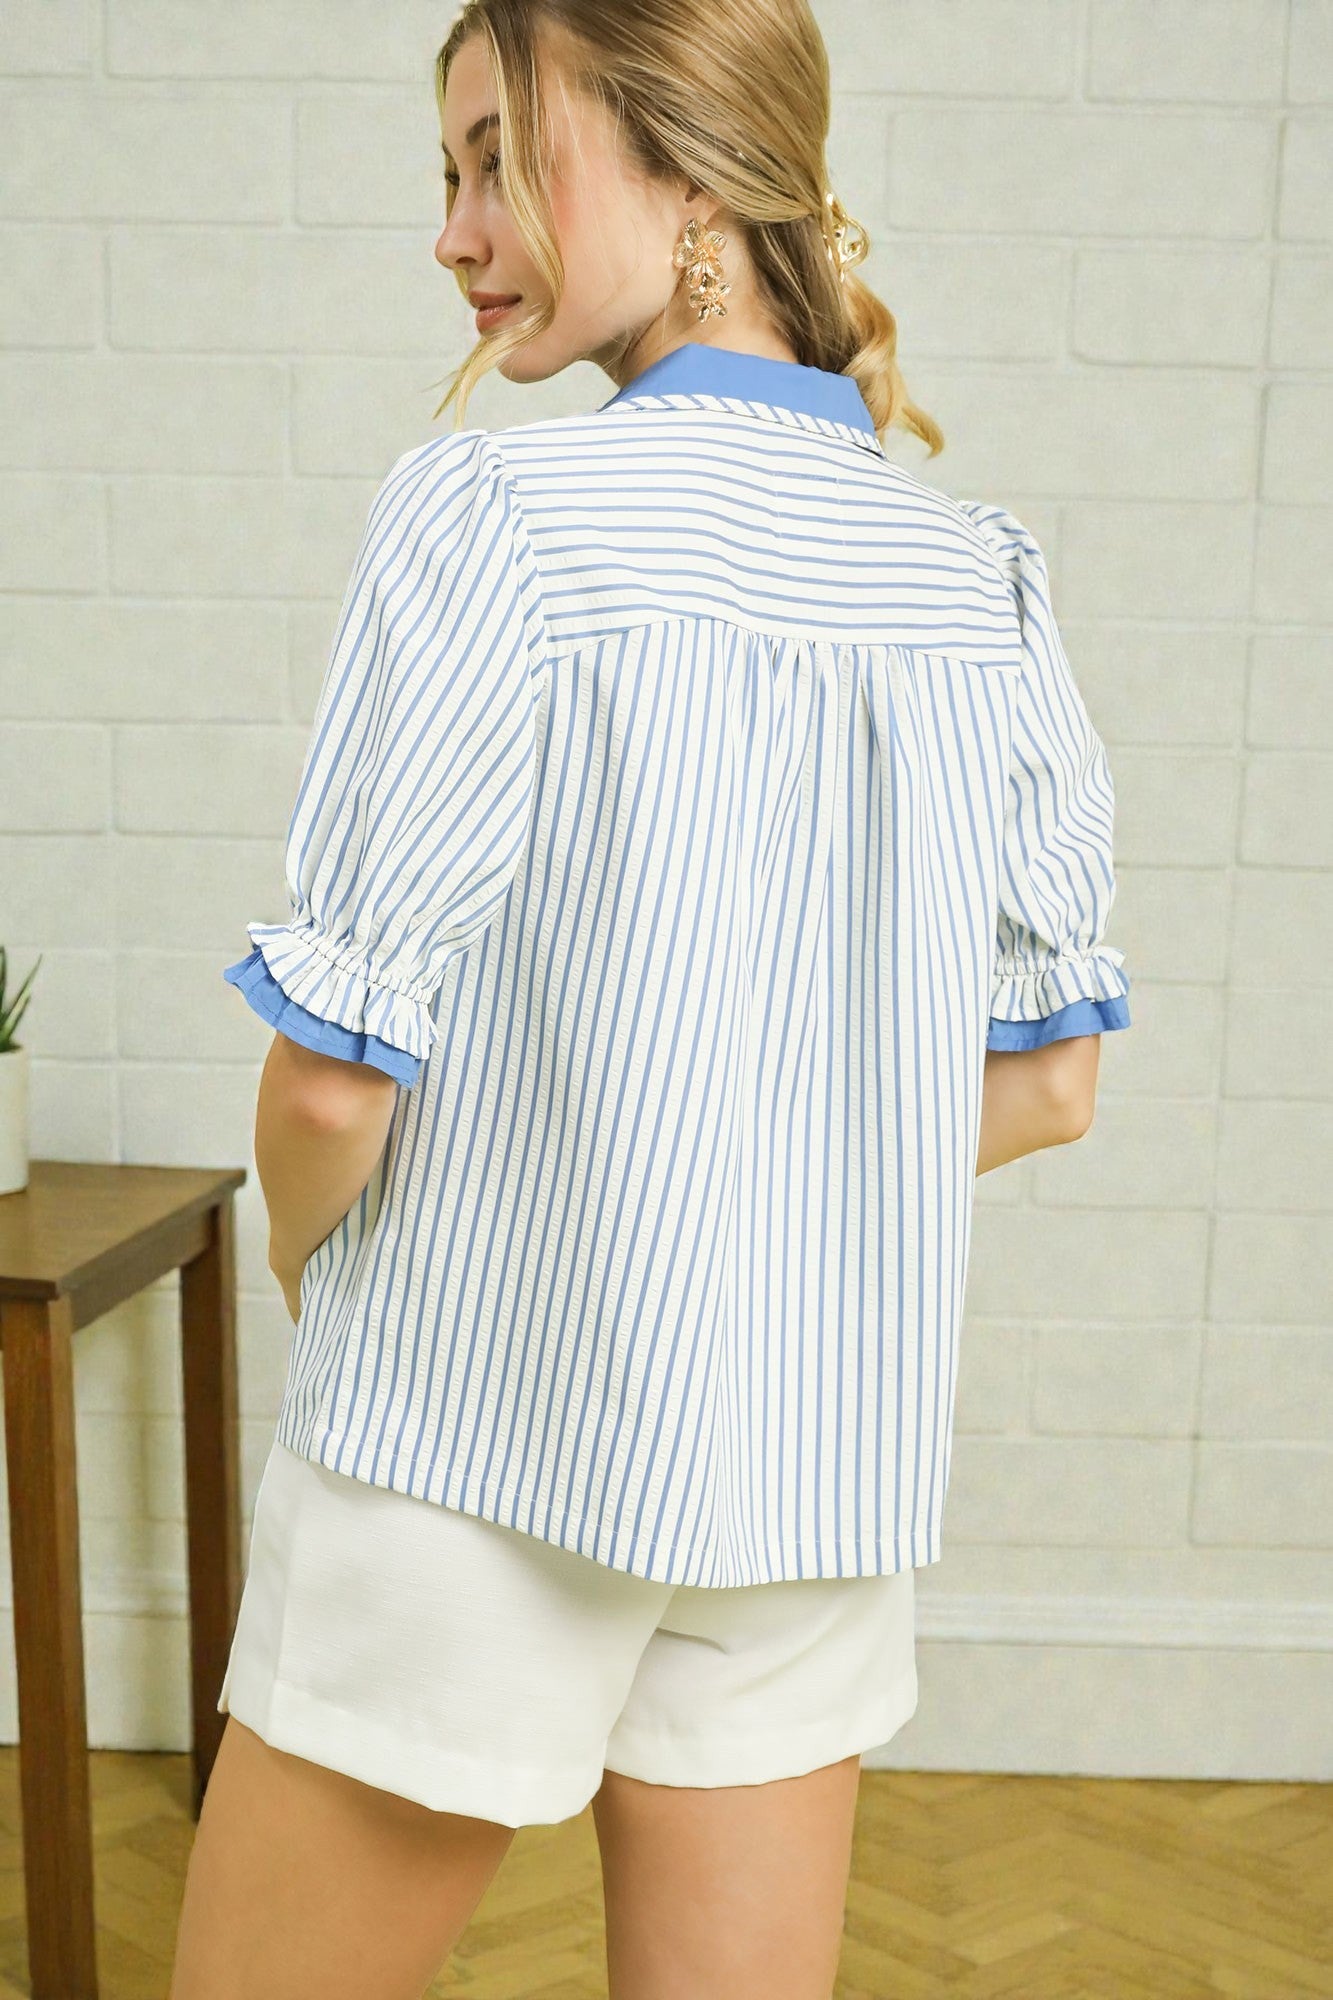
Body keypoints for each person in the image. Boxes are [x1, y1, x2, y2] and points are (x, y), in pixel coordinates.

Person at [169, 2, 1132, 1996]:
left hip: (467, 1449)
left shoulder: (492, 521)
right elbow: (1048, 1088)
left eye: (489, 159)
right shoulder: (977, 584)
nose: (452, 230)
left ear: (687, 173)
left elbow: (335, 1096)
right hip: (806, 1471)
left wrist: (306, 1263)